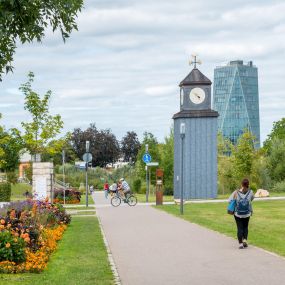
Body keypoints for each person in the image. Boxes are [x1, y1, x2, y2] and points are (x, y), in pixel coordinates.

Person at [229, 178, 254, 249]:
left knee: (239, 228)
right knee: (245, 227)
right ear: (248, 184)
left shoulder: (236, 192)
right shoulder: (251, 192)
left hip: (238, 214)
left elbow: (229, 200)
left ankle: (240, 244)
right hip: (247, 213)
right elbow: (251, 199)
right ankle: (245, 240)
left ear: (241, 184)